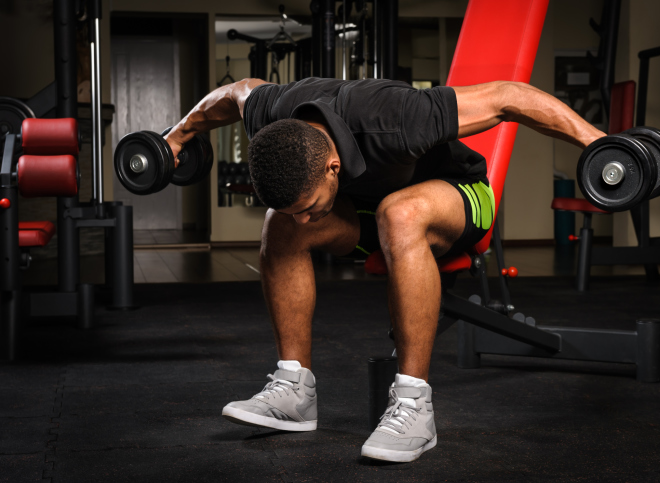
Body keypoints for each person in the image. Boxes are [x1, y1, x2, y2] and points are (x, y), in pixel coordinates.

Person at [164, 77, 605, 462]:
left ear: (333, 167)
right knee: (281, 223)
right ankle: (295, 388)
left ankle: (415, 406)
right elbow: (236, 92)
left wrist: (598, 144)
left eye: (309, 207)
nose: (305, 219)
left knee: (400, 213)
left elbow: (509, 96)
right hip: (367, 214)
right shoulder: (274, 113)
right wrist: (178, 137)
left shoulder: (396, 117)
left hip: (459, 198)